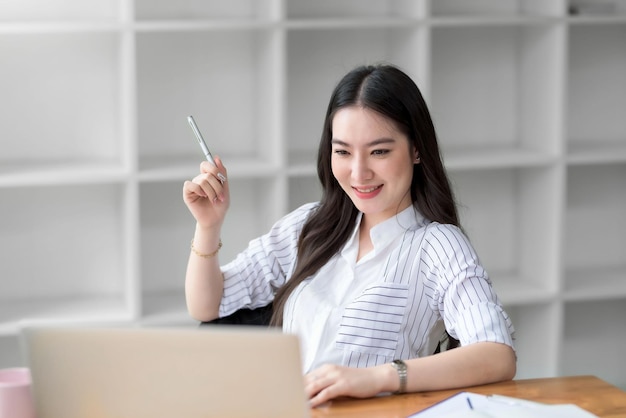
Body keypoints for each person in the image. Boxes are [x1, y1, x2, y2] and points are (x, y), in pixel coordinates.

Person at [183, 63, 516, 407]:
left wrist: (378, 377)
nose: (359, 172)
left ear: (416, 150)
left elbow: (496, 354)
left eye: (379, 151)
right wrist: (208, 226)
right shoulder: (310, 226)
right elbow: (207, 305)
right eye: (342, 151)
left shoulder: (436, 246)